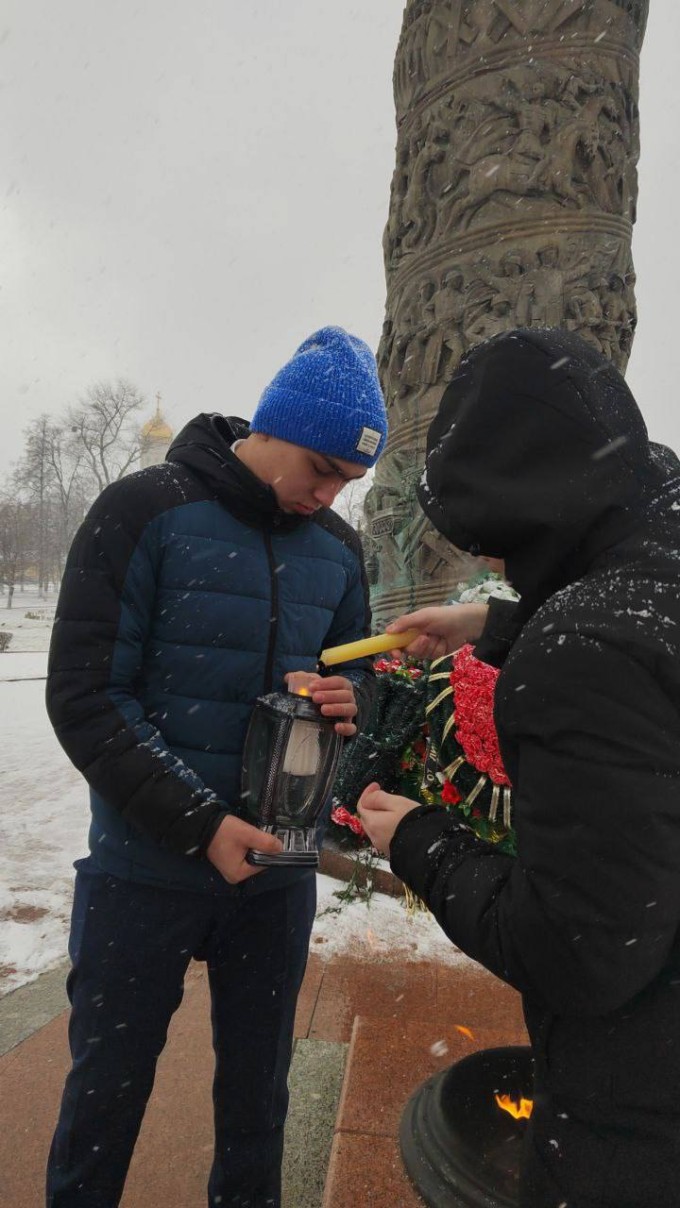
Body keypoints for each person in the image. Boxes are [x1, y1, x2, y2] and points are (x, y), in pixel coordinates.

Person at [45, 325, 387, 1208]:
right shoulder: (144, 510)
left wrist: (352, 706)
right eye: (319, 468)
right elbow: (85, 695)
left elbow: (354, 677)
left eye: (348, 483)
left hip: (276, 871)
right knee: (106, 1095)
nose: (327, 495)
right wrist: (197, 823)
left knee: (257, 1102)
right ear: (271, 426)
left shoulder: (339, 552)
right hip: (144, 868)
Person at [358, 328, 680, 1208]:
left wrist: (417, 838)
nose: (489, 561)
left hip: (641, 1120)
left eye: (487, 536)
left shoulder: (585, 648)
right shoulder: (657, 545)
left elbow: (580, 952)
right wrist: (492, 626)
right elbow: (643, 637)